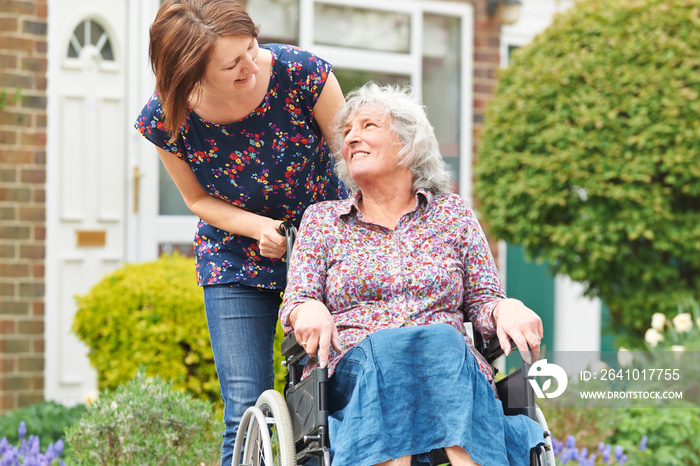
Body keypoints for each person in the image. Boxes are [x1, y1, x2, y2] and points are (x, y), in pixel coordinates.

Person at [279, 83, 546, 466]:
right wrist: (307, 310)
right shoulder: (323, 221)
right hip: (358, 371)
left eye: (368, 125)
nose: (352, 136)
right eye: (348, 130)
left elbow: (485, 298)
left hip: (448, 370)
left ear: (408, 144)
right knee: (391, 347)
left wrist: (507, 308)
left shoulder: (452, 215)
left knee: (440, 342)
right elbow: (297, 299)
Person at [133, 0, 348, 463]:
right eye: (233, 63)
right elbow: (197, 200)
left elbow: (353, 164)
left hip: (325, 251)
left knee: (331, 400)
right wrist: (259, 229)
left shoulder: (301, 74)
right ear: (191, 73)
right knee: (245, 411)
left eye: (251, 47)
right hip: (235, 257)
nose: (252, 64)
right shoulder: (166, 117)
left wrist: (318, 238)